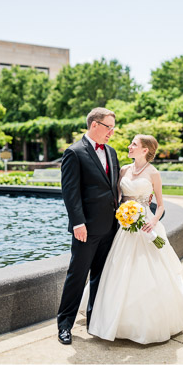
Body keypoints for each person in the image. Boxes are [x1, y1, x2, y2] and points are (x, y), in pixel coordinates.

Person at [87, 134, 183, 344]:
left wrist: (153, 221)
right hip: (124, 226)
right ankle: (113, 319)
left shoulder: (154, 173)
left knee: (149, 269)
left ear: (145, 150)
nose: (129, 146)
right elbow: (116, 197)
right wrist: (122, 214)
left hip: (146, 224)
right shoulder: (124, 169)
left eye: (134, 144)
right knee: (119, 268)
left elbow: (160, 205)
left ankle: (148, 323)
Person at [56, 107, 121, 345]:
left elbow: (113, 188)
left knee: (100, 278)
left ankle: (95, 320)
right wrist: (77, 223)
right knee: (77, 276)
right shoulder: (74, 153)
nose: (111, 132)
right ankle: (64, 325)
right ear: (94, 125)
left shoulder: (112, 153)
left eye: (113, 128)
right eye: (108, 127)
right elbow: (70, 193)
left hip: (110, 228)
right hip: (86, 229)